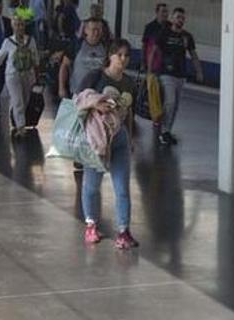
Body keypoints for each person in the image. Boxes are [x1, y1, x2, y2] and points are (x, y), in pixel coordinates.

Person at [77, 38, 139, 250]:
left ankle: (123, 231)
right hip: (97, 140)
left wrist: (130, 136)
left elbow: (130, 112)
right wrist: (96, 104)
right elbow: (78, 100)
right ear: (110, 56)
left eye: (126, 55)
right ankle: (91, 224)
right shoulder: (96, 77)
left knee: (122, 187)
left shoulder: (129, 82)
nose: (123, 59)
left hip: (119, 138)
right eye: (119, 55)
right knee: (92, 185)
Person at [151, 6, 201, 145]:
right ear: (172, 18)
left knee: (175, 105)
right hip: (166, 74)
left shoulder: (187, 37)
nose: (180, 20)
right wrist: (150, 69)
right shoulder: (164, 34)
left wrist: (199, 71)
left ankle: (167, 130)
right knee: (170, 102)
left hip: (180, 75)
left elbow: (193, 55)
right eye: (178, 17)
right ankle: (163, 131)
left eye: (183, 18)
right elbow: (154, 51)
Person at [0, 13, 38, 138]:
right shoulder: (8, 42)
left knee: (24, 99)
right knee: (18, 100)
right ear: (12, 26)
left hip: (27, 75)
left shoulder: (31, 41)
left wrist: (37, 76)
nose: (19, 27)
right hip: (12, 75)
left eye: (21, 24)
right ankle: (21, 128)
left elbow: (36, 59)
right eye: (16, 25)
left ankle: (16, 118)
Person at [58, 15, 103, 100]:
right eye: (93, 29)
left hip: (97, 95)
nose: (96, 33)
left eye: (99, 29)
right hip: (77, 94)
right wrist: (61, 88)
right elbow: (64, 66)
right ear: (86, 30)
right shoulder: (76, 45)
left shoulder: (105, 47)